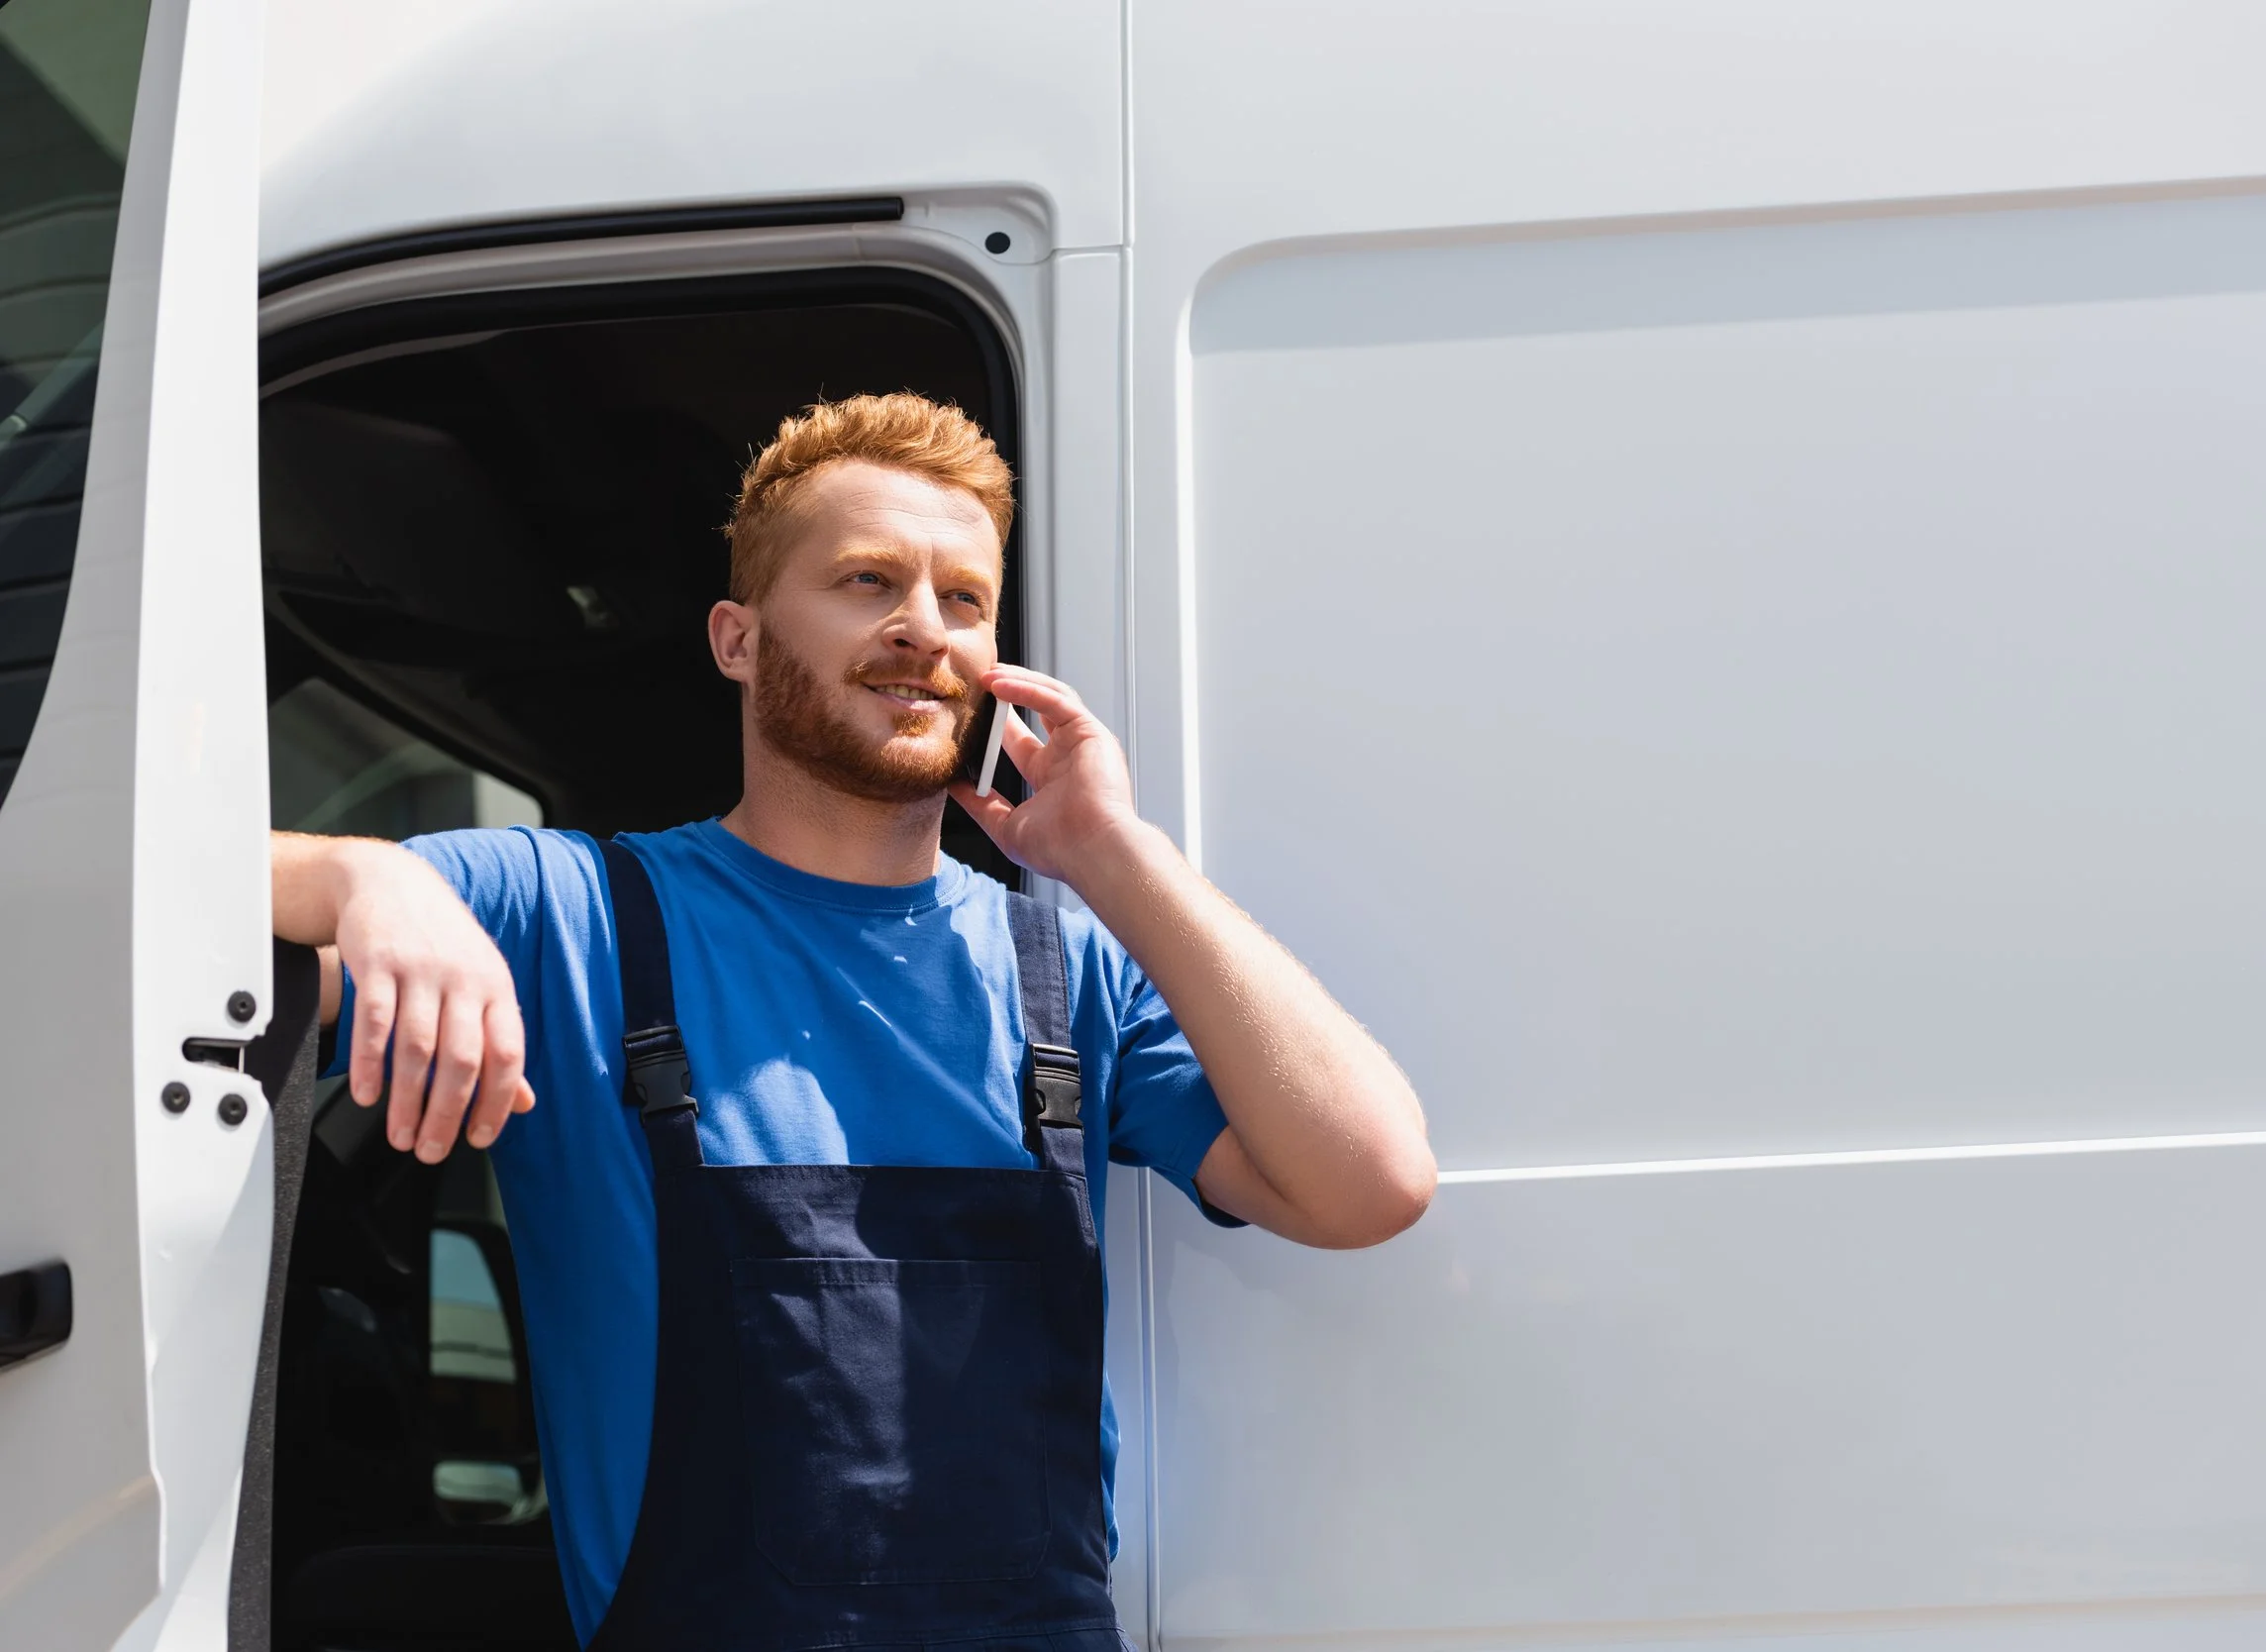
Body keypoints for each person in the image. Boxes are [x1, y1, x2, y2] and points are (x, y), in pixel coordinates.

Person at [269, 392, 1434, 1652]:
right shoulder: (571, 917)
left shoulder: (1064, 964)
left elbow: (1370, 1183)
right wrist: (361, 876)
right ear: (736, 637)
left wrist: (1117, 857)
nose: (921, 630)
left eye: (965, 599)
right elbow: (125, 904)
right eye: (867, 579)